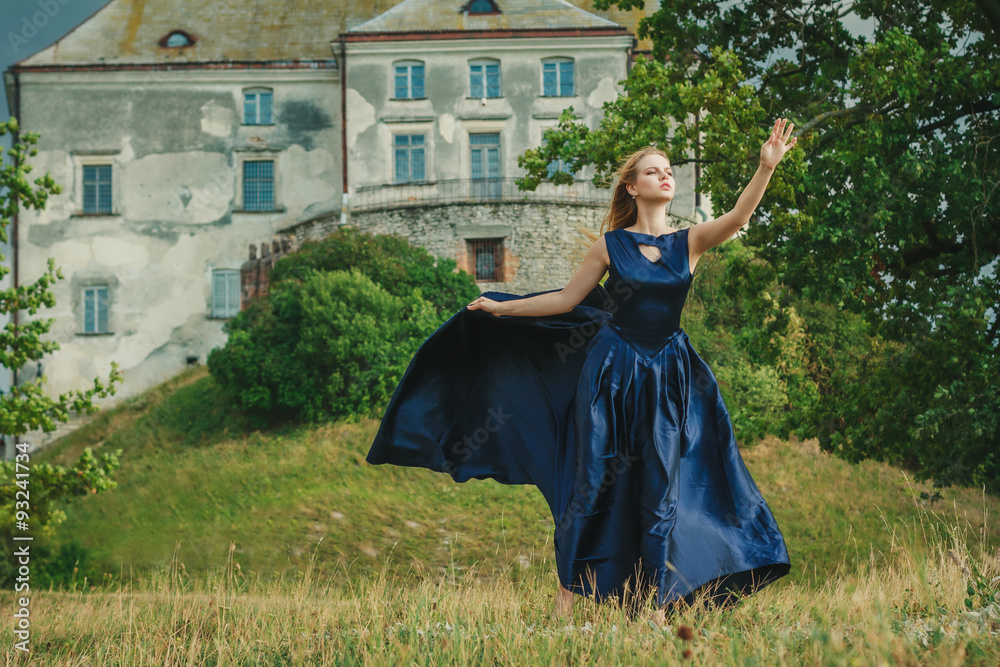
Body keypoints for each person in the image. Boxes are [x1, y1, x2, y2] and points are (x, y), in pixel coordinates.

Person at [367, 118, 798, 628]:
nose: (664, 177)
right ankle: (567, 602)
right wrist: (503, 310)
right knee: (589, 484)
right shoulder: (610, 246)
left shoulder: (691, 242)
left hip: (666, 379)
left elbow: (738, 215)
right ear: (631, 186)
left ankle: (655, 608)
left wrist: (765, 167)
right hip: (611, 376)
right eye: (652, 171)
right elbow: (567, 300)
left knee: (660, 487)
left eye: (668, 171)